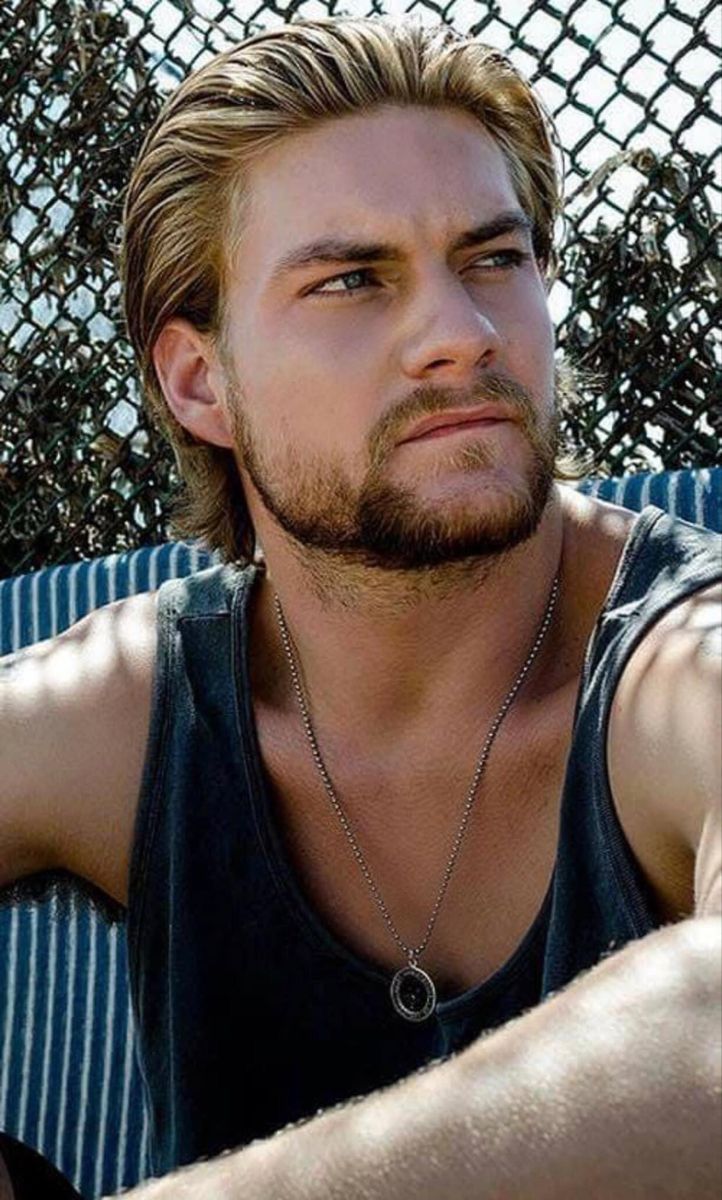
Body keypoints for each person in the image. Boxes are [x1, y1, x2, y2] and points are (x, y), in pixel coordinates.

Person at [1, 14, 720, 1200]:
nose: (461, 335)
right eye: (350, 279)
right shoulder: (135, 713)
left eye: (494, 259)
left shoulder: (673, 656)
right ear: (200, 381)